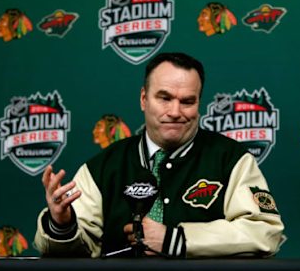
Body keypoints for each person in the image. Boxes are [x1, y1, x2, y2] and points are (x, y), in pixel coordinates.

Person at [34, 52, 285, 258]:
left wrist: (177, 240)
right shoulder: (105, 167)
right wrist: (62, 225)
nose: (175, 111)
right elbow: (73, 251)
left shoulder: (230, 159)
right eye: (164, 98)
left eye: (187, 101)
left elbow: (264, 232)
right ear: (144, 99)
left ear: (199, 104)